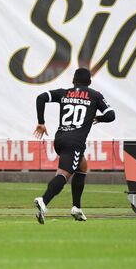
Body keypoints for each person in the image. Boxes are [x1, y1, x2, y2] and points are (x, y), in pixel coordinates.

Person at [33, 68, 115, 224]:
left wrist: (41, 122)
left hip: (60, 139)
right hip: (75, 142)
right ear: (89, 81)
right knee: (63, 175)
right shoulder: (95, 95)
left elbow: (41, 97)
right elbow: (111, 115)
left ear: (73, 81)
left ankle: (76, 208)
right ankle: (43, 201)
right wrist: (98, 117)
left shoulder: (64, 93)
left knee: (82, 166)